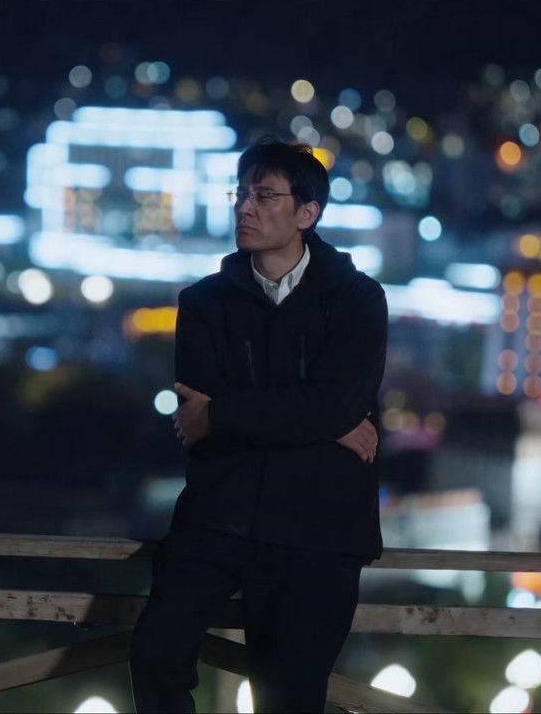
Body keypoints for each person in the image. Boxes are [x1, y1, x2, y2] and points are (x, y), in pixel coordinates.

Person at [128, 137, 388, 713]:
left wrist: (230, 412)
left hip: (318, 532)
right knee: (155, 657)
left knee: (288, 697)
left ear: (306, 213)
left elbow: (328, 405)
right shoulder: (204, 302)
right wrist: (323, 423)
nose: (245, 207)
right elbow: (196, 419)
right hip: (219, 516)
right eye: (241, 194)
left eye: (264, 196)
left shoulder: (356, 300)